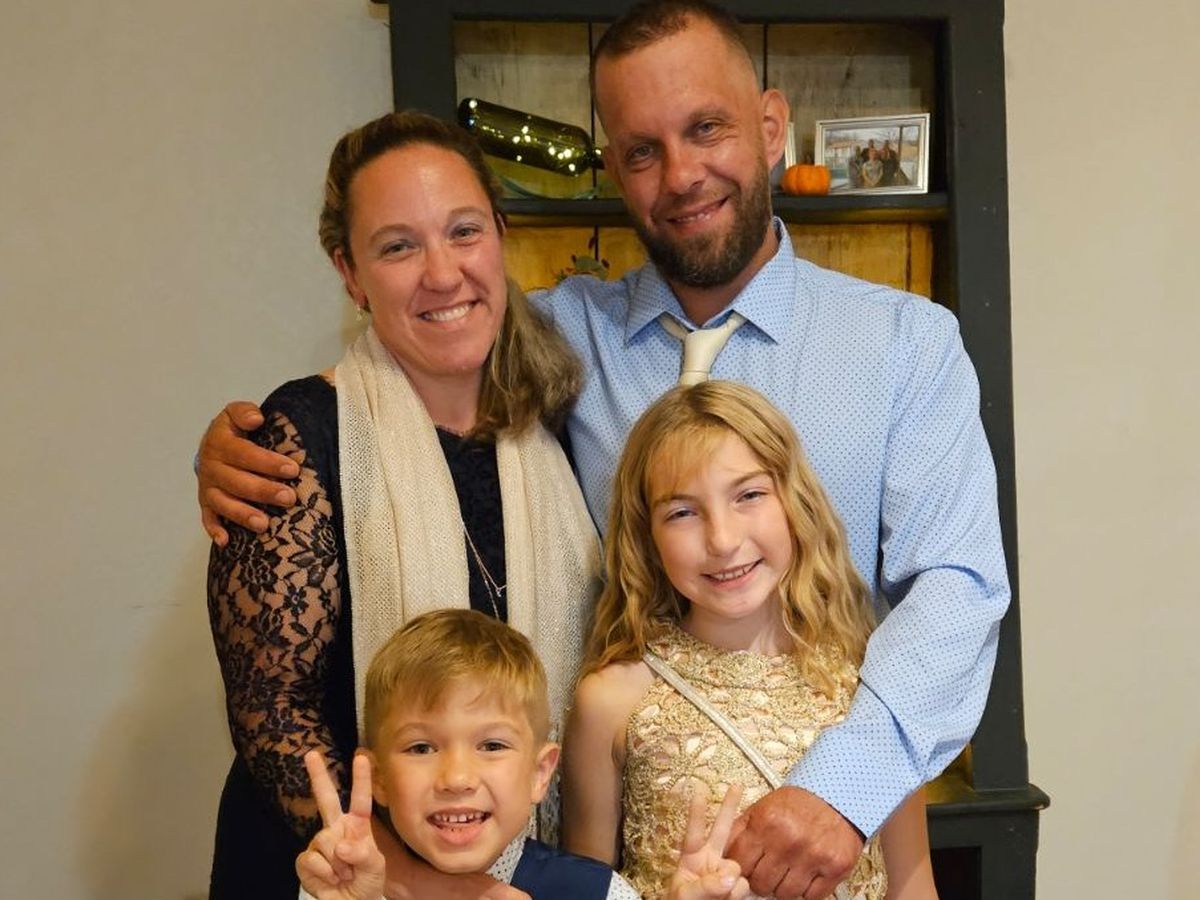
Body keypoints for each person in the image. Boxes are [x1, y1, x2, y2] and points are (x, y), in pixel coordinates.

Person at [197, 2, 1009, 897]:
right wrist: (254, 437)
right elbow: (422, 347)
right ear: (614, 168)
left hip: (843, 833)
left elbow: (959, 590)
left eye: (707, 128)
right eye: (642, 151)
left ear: (772, 127)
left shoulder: (905, 344)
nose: (683, 175)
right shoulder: (562, 338)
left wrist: (844, 788)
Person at [205, 111, 602, 900]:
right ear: (350, 272)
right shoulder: (296, 439)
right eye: (398, 246)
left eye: (463, 231)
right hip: (335, 872)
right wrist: (423, 884)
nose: (443, 273)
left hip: (528, 872)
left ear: (500, 235)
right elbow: (274, 714)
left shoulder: (558, 424)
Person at [562, 381, 937, 900]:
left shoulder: (873, 691)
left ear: (795, 502)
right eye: (682, 512)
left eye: (749, 495)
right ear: (647, 537)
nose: (722, 540)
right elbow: (581, 889)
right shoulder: (611, 701)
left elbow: (914, 889)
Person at [295, 609, 749, 900]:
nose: (457, 778)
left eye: (491, 746)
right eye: (422, 748)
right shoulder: (342, 885)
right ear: (378, 778)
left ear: (540, 772)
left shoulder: (595, 892)